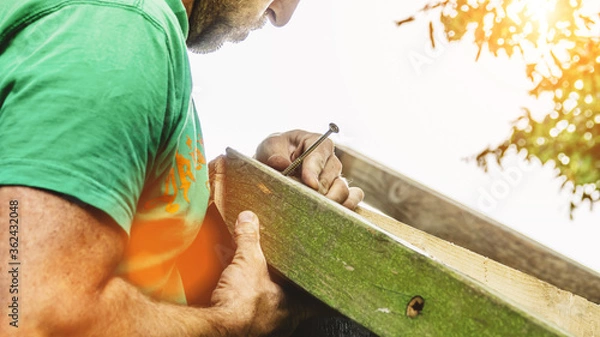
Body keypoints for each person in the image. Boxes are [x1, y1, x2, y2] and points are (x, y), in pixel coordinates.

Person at [0, 0, 364, 336]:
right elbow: (28, 314)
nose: (282, 14)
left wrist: (247, 179)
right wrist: (231, 324)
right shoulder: (122, 36)